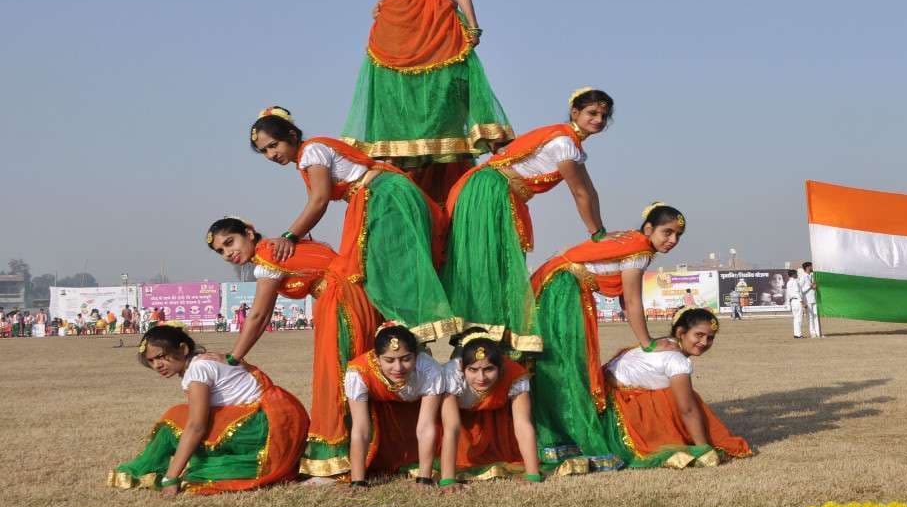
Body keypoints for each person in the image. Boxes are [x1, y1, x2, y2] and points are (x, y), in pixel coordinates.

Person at [328, 0, 514, 203]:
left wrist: (473, 25)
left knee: (444, 94)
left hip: (439, 17)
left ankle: (446, 173)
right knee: (397, 95)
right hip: (398, 20)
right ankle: (401, 177)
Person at [249, 106, 463, 343]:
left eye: (273, 145)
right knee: (381, 264)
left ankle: (409, 329)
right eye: (264, 151)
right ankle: (405, 330)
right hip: (379, 195)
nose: (271, 155)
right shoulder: (307, 157)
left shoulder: (311, 151)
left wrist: (289, 236)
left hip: (381, 196)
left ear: (291, 136)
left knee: (382, 264)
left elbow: (319, 201)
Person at [207, 217, 382, 479]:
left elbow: (258, 316)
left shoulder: (269, 253)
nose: (227, 254)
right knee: (353, 377)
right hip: (352, 298)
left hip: (342, 302)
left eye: (230, 243)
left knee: (335, 380)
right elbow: (263, 316)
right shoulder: (277, 250)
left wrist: (233, 357)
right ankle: (363, 454)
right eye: (220, 251)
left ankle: (334, 463)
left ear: (249, 233)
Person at [441, 89, 612, 346]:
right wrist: (597, 235)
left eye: (603, 115)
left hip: (499, 191)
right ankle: (477, 327)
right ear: (575, 113)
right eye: (592, 113)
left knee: (496, 256)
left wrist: (600, 231)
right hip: (492, 189)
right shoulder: (563, 143)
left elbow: (589, 191)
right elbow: (579, 192)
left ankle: (486, 327)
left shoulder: (571, 144)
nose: (598, 119)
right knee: (489, 255)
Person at [527, 203, 687, 469]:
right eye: (667, 232)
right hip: (561, 289)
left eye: (678, 236)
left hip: (556, 285)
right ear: (649, 229)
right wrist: (648, 344)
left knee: (561, 365)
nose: (672, 240)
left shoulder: (634, 244)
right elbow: (634, 302)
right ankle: (566, 440)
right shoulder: (638, 250)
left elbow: (627, 301)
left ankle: (557, 438)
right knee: (568, 365)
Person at [108, 324, 309, 495]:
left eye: (161, 356)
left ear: (183, 349)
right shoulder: (204, 361)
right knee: (181, 414)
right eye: (151, 361)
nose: (157, 365)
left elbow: (197, 426)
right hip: (277, 422)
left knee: (174, 419)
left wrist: (171, 478)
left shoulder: (197, 369)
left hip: (261, 429)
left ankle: (155, 471)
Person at [601, 307, 752, 468]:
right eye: (699, 335)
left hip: (601, 395)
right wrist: (703, 449)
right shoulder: (676, 360)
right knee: (685, 398)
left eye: (710, 338)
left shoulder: (660, 343)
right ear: (681, 333)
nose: (704, 342)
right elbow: (687, 409)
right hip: (617, 408)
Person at [344, 324, 447, 488]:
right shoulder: (358, 372)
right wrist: (358, 482)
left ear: (417, 355)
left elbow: (426, 425)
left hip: (416, 415)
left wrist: (424, 479)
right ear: (377, 358)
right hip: (384, 421)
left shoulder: (430, 370)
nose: (398, 368)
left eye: (406, 359)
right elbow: (361, 428)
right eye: (389, 360)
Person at [436, 329, 542, 489]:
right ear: (462, 367)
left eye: (489, 369)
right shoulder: (451, 375)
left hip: (494, 429)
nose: (481, 378)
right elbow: (451, 427)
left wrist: (533, 474)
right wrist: (448, 480)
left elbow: (522, 424)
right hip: (458, 430)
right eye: (473, 370)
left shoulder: (514, 374)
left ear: (501, 367)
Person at [798, 261, 822, 338]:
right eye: (811, 266)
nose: (812, 268)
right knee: (810, 317)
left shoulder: (812, 275)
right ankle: (812, 333)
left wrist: (814, 286)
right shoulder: (803, 277)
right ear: (808, 267)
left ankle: (818, 333)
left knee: (816, 316)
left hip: (814, 298)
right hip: (807, 299)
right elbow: (800, 290)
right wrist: (810, 286)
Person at [785, 270, 804, 339]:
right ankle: (798, 334)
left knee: (796, 318)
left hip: (792, 301)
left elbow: (788, 294)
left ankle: (796, 334)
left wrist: (788, 304)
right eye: (796, 274)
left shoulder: (788, 282)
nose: (797, 275)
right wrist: (802, 301)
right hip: (797, 300)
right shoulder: (795, 281)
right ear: (793, 274)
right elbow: (797, 292)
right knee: (799, 318)